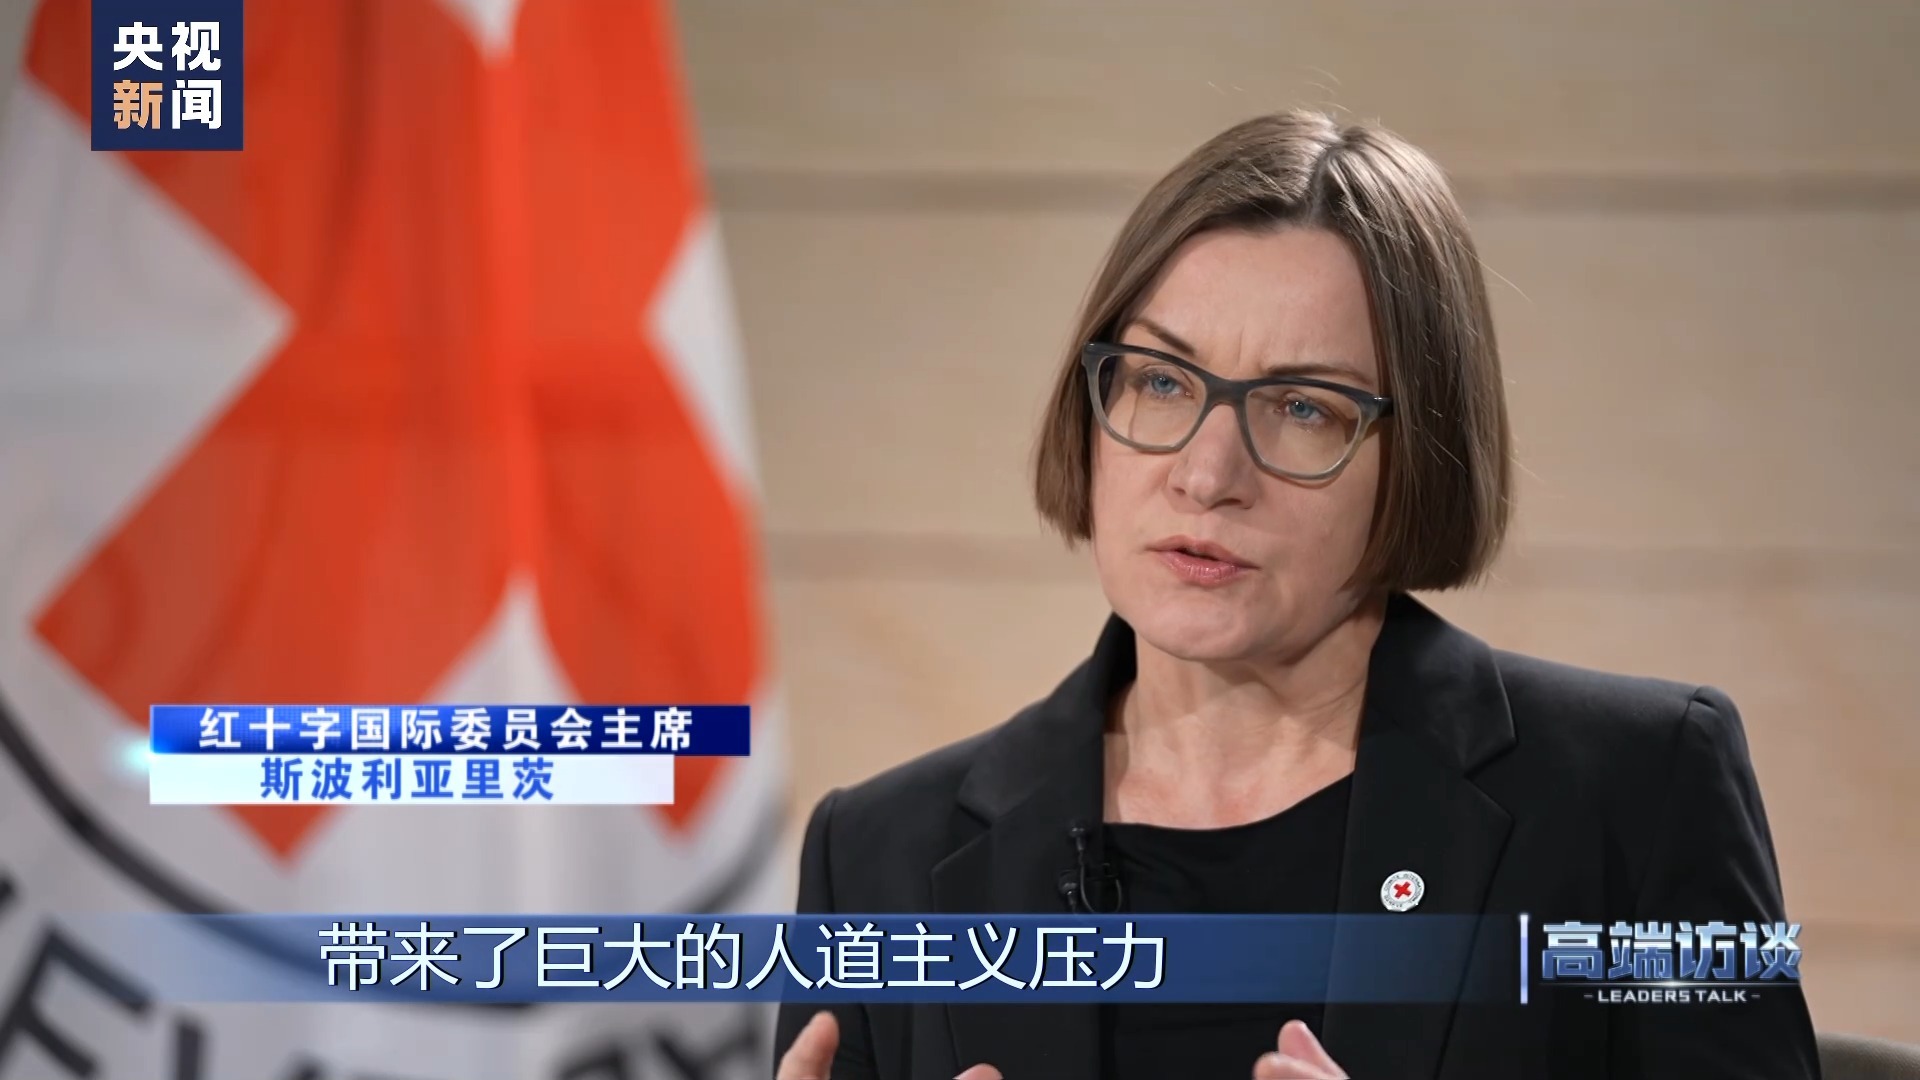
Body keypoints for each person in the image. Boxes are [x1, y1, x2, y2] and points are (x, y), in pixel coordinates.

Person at [771, 109, 1819, 1080]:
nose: (1207, 473)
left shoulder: (1640, 790)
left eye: (1304, 408)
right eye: (1161, 381)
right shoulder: (878, 854)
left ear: (1417, 460)